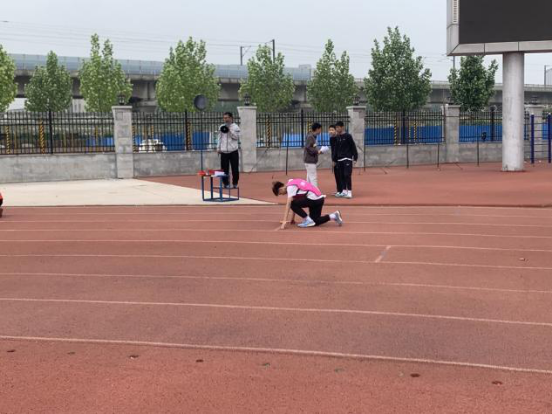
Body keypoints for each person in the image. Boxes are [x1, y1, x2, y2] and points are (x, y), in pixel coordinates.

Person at [272, 179, 343, 230]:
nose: (283, 194)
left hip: (314, 199)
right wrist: (292, 219)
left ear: (280, 189)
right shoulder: (291, 181)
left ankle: (308, 220)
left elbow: (289, 205)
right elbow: (294, 201)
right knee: (315, 222)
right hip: (319, 198)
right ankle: (334, 215)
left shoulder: (290, 188)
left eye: (280, 193)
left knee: (292, 204)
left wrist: (284, 221)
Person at [333, 121, 358, 199]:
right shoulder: (337, 137)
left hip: (347, 158)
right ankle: (344, 191)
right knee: (341, 176)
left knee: (347, 175)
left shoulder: (348, 136)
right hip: (339, 159)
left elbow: (353, 146)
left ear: (342, 127)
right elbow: (336, 149)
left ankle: (349, 191)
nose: (337, 129)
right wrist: (334, 159)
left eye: (338, 127)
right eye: (336, 128)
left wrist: (355, 157)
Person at [217, 112, 241, 189]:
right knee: (224, 169)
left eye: (227, 118)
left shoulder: (236, 127)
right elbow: (219, 138)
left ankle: (235, 183)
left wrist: (229, 130)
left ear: (231, 118)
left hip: (233, 151)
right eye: (224, 118)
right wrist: (218, 148)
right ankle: (226, 183)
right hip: (224, 151)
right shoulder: (221, 127)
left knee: (235, 169)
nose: (225, 119)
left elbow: (236, 137)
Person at [304, 122, 322, 187]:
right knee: (313, 178)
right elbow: (308, 148)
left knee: (309, 179)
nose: (320, 131)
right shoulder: (310, 137)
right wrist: (317, 151)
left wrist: (317, 151)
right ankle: (316, 192)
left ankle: (307, 191)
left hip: (310, 160)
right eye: (320, 129)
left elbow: (311, 147)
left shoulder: (313, 137)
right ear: (317, 129)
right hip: (310, 160)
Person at [328, 124, 342, 196]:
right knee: (336, 175)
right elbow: (333, 150)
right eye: (330, 130)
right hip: (334, 159)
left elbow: (337, 150)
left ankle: (342, 191)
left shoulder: (338, 138)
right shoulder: (331, 139)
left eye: (332, 130)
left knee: (340, 175)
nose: (331, 131)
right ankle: (338, 190)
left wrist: (334, 160)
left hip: (339, 159)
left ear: (335, 130)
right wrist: (333, 159)